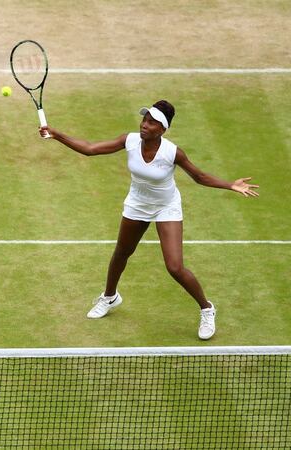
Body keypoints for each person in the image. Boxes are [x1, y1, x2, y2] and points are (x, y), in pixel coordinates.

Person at [39, 100, 259, 340]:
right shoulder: (130, 140)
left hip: (166, 207)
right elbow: (91, 148)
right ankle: (110, 297)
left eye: (152, 122)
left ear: (162, 130)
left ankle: (207, 308)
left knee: (175, 267)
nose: (145, 125)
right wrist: (57, 134)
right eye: (145, 119)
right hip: (137, 204)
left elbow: (199, 176)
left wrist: (231, 185)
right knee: (121, 252)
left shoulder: (172, 152)